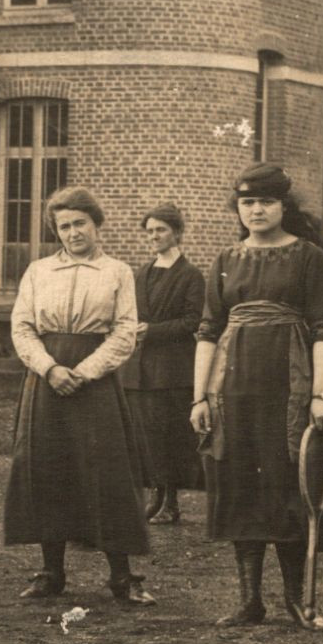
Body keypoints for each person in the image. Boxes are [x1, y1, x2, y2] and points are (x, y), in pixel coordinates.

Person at [190, 163, 323, 630]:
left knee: (290, 482)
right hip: (232, 390)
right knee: (240, 485)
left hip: (288, 387)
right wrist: (198, 399)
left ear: (283, 207)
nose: (256, 210)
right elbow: (208, 331)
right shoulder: (225, 260)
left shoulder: (308, 257)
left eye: (266, 202)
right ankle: (250, 600)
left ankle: (296, 599)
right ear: (238, 207)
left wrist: (321, 393)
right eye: (247, 202)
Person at [4, 186, 156, 606]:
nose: (72, 233)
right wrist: (50, 368)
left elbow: (125, 332)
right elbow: (22, 328)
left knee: (107, 473)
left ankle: (123, 577)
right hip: (46, 379)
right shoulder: (38, 272)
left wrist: (85, 371)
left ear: (96, 224)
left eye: (80, 224)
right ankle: (52, 572)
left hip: (95, 383)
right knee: (47, 468)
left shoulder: (118, 272)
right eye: (64, 226)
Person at [123, 203, 206, 525]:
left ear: (176, 233)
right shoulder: (142, 272)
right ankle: (155, 496)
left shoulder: (190, 275)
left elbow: (192, 321)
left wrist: (152, 331)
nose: (154, 236)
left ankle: (171, 502)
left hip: (172, 369)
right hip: (140, 368)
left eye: (161, 230)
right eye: (150, 231)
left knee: (170, 436)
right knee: (145, 436)